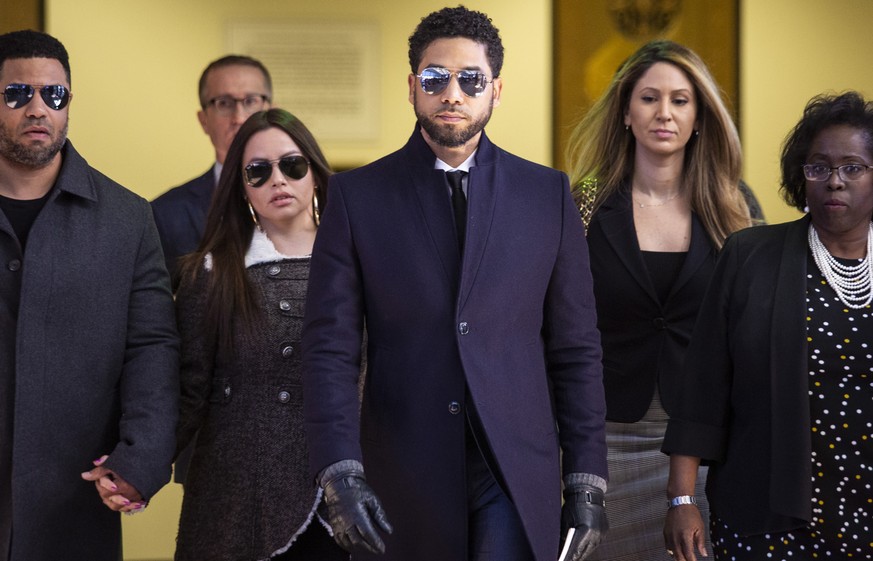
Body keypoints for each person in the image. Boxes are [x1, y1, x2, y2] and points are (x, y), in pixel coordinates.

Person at [302, 6, 608, 561]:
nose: (452, 93)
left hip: (513, 467)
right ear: (413, 87)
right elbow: (329, 350)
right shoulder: (357, 197)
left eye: (471, 80)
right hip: (403, 466)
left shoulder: (547, 196)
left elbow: (576, 348)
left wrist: (587, 478)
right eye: (435, 78)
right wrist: (339, 472)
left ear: (495, 90)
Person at [565, 40, 756, 561]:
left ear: (700, 117)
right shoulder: (580, 203)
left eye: (680, 100)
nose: (664, 113)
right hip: (598, 438)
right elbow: (554, 324)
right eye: (649, 98)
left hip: (704, 445)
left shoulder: (735, 208)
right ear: (626, 111)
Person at [662, 91, 873, 560]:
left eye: (853, 167)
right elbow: (701, 391)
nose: (835, 181)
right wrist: (682, 499)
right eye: (819, 167)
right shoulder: (750, 257)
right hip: (765, 514)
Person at [0, 30, 179, 561]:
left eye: (53, 96)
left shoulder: (127, 219)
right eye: (17, 94)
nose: (38, 109)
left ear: (69, 103)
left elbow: (152, 349)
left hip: (72, 498)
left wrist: (141, 460)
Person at [173, 108, 345, 561]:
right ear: (240, 186)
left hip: (342, 496)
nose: (278, 180)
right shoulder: (208, 271)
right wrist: (133, 465)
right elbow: (188, 393)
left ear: (314, 171)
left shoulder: (360, 262)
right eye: (258, 171)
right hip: (233, 499)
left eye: (292, 165)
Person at [151, 54, 272, 284]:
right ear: (203, 120)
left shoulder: (311, 202)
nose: (239, 117)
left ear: (271, 111)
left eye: (251, 101)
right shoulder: (164, 214)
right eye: (224, 103)